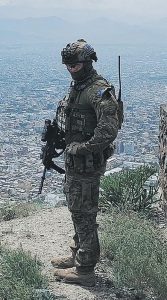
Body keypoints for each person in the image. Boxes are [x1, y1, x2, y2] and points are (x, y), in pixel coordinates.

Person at [51, 39, 119, 287]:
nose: (70, 68)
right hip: (75, 164)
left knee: (85, 214)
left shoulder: (98, 90)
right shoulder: (80, 86)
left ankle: (86, 269)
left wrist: (83, 148)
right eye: (68, 65)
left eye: (75, 64)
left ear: (88, 62)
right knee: (77, 210)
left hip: (87, 164)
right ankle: (78, 254)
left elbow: (108, 129)